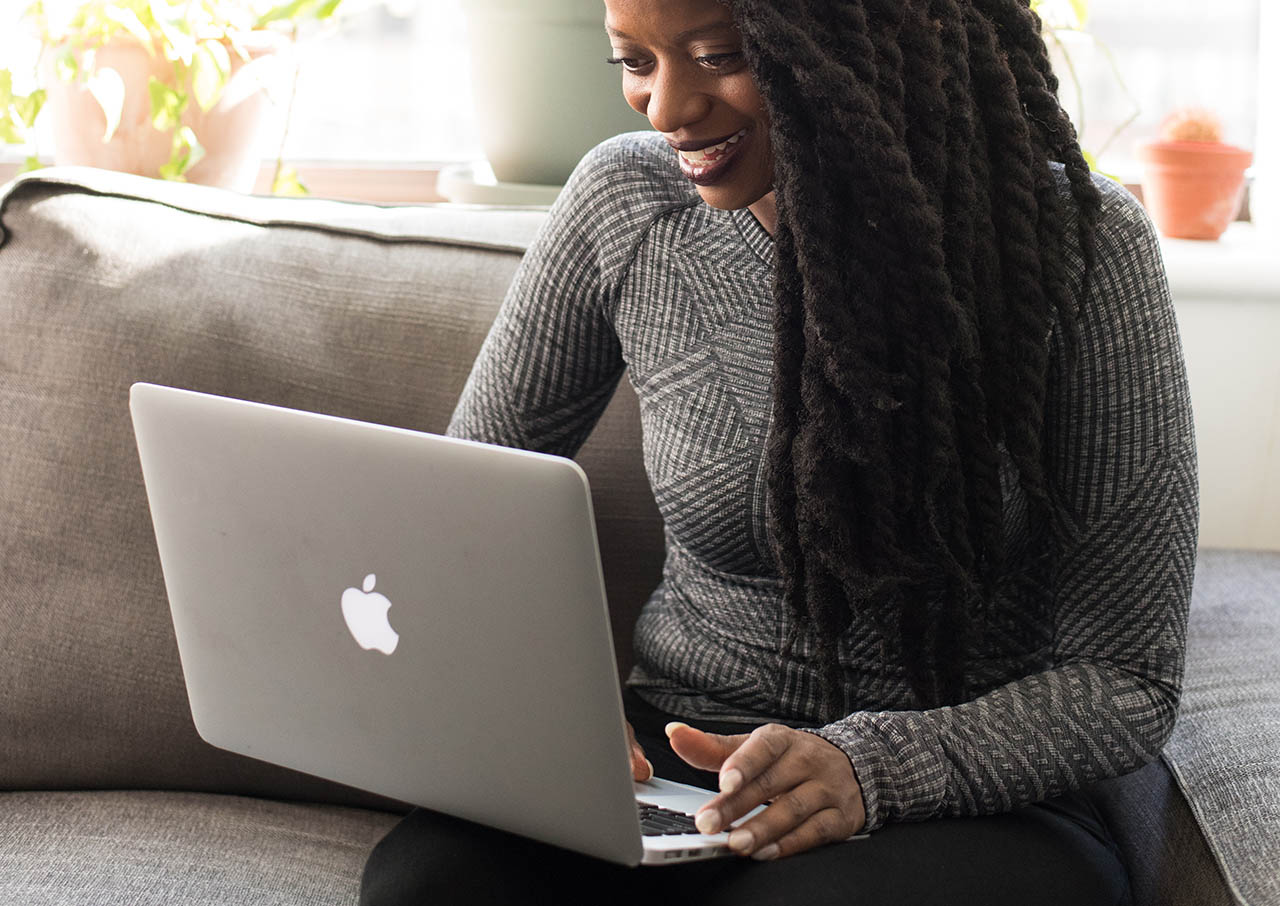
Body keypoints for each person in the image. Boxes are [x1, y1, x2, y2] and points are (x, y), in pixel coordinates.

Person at [360, 0, 1197, 902]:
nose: (666, 107)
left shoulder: (1083, 247)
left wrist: (872, 769)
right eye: (633, 63)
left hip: (958, 792)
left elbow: (1126, 680)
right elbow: (455, 512)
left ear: (869, 43)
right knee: (428, 886)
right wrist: (543, 706)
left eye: (718, 55)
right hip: (681, 750)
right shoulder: (626, 203)